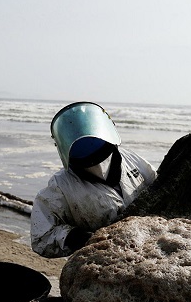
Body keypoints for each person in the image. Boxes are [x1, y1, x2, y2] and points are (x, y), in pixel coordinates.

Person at [30, 101, 157, 258]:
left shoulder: (133, 160)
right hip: (100, 262)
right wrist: (77, 237)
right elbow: (41, 236)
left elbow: (159, 189)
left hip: (150, 250)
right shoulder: (62, 185)